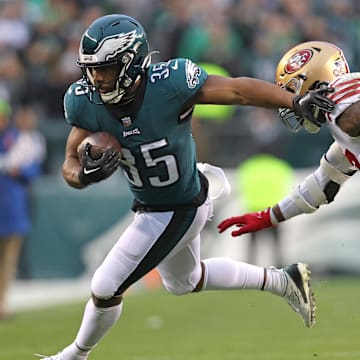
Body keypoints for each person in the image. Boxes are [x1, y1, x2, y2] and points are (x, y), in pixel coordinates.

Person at [36, 16, 333, 359]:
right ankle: (283, 281)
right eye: (92, 69)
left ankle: (74, 355)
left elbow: (236, 89)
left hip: (179, 204)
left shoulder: (170, 84)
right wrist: (84, 175)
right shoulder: (84, 101)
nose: (97, 78)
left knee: (105, 287)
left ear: (132, 62)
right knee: (184, 282)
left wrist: (292, 101)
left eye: (106, 68)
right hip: (155, 204)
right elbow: (69, 164)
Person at [217, 41, 356, 251]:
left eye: (292, 89)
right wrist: (266, 218)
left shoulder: (341, 102)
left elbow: (352, 116)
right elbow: (318, 189)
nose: (289, 100)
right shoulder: (342, 137)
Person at [0, 101, 46, 319]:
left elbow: (33, 169)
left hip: (12, 207)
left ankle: (2, 303)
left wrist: (20, 170)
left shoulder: (19, 141)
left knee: (8, 261)